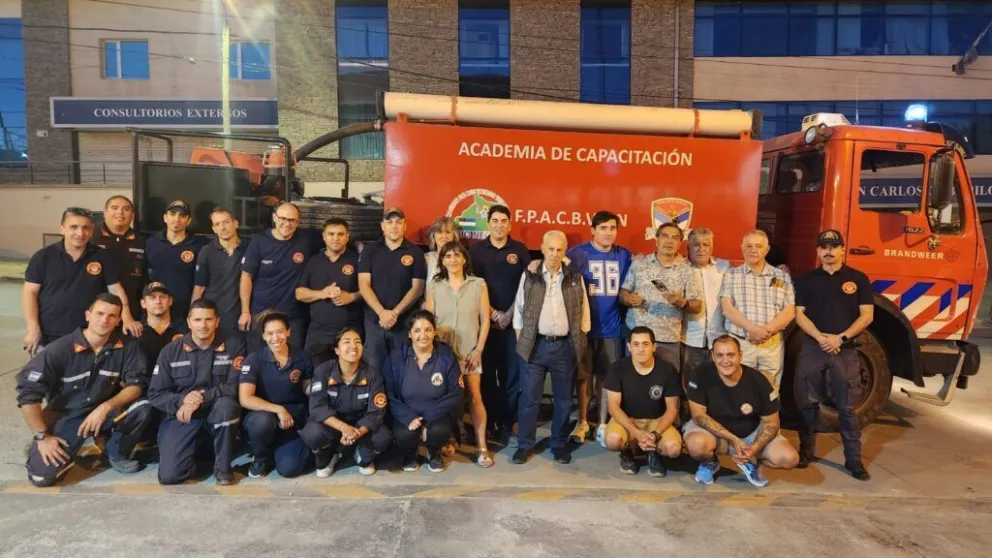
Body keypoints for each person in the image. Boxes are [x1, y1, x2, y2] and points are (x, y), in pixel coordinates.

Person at [14, 293, 152, 487]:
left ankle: (113, 450)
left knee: (143, 406)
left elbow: (135, 386)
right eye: (100, 313)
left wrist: (105, 407)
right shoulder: (60, 349)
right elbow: (28, 396)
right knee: (42, 478)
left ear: (119, 320)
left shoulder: (127, 347)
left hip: (103, 413)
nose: (105, 320)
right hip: (66, 417)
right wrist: (42, 436)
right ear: (88, 315)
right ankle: (42, 446)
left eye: (112, 316)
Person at [794, 230, 874, 481]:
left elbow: (867, 315)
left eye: (834, 246)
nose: (828, 250)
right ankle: (806, 453)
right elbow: (799, 314)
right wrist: (820, 338)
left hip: (845, 349)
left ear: (842, 250)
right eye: (823, 246)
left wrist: (840, 338)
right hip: (814, 347)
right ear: (817, 251)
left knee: (847, 407)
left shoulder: (858, 279)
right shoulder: (807, 280)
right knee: (807, 402)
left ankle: (854, 461)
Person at [511, 230, 590, 465]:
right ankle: (525, 445)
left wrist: (579, 340)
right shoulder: (531, 275)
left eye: (560, 249)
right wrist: (522, 341)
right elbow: (519, 310)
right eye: (551, 249)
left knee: (564, 399)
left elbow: (584, 312)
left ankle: (558, 444)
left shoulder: (575, 276)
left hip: (564, 348)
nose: (555, 254)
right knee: (529, 399)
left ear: (565, 251)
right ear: (542, 249)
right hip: (535, 346)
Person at [148, 299, 246, 486]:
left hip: (216, 411)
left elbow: (236, 386)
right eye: (198, 319)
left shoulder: (234, 345)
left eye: (208, 319)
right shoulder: (170, 351)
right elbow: (156, 394)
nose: (203, 325)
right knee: (170, 477)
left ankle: (223, 468)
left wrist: (200, 398)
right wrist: (182, 399)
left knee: (227, 406)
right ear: (189, 322)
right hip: (183, 416)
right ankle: (196, 458)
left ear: (217, 321)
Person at [23, 207, 141, 356]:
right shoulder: (43, 257)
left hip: (88, 335)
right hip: (49, 335)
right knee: (43, 378)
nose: (80, 233)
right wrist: (33, 329)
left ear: (91, 231)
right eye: (74, 227)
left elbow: (116, 290)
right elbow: (30, 293)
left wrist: (127, 318)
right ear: (62, 229)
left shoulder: (102, 256)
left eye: (85, 228)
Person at [684, 335, 799, 487]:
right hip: (715, 433)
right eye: (720, 355)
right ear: (712, 356)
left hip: (751, 433)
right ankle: (710, 462)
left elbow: (772, 422)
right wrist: (733, 440)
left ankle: (749, 461)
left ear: (740, 356)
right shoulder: (701, 373)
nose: (725, 361)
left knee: (790, 458)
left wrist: (754, 449)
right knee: (697, 446)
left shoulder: (759, 381)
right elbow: (698, 415)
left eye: (731, 355)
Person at [564, 210, 633, 447]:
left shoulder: (624, 255)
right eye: (603, 228)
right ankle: (583, 421)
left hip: (612, 329)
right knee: (583, 377)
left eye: (612, 228)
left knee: (607, 378)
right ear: (593, 230)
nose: (608, 232)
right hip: (584, 328)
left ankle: (603, 423)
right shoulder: (577, 254)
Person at [425, 241, 493, 467]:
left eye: (457, 255)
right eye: (447, 256)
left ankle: (482, 447)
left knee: (475, 397)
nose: (453, 260)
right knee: (444, 399)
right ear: (442, 261)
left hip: (470, 353)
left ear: (464, 258)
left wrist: (479, 349)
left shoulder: (478, 284)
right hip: (442, 354)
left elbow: (485, 320)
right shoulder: (435, 286)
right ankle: (448, 440)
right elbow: (428, 321)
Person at [468, 204, 530, 446]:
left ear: (510, 224)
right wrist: (494, 315)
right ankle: (490, 421)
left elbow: (526, 286)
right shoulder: (475, 252)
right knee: (485, 378)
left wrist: (509, 316)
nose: (499, 225)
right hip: (485, 326)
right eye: (495, 220)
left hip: (513, 326)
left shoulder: (520, 250)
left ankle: (508, 421)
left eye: (504, 220)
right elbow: (472, 285)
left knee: (511, 376)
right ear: (488, 223)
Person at [300, 328, 391, 477]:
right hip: (332, 426)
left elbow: (376, 412)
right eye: (347, 342)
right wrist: (343, 428)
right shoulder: (323, 371)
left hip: (360, 428)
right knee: (312, 434)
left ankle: (361, 455)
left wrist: (357, 432)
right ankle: (330, 455)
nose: (353, 346)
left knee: (383, 437)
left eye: (357, 342)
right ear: (336, 349)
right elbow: (317, 408)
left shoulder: (372, 374)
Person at [381, 310, 463, 473]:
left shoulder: (446, 356)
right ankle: (410, 453)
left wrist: (429, 417)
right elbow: (387, 394)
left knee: (438, 431)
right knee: (405, 434)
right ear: (410, 334)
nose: (423, 335)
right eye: (417, 330)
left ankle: (435, 451)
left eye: (427, 329)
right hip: (407, 413)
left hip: (437, 413)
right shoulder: (396, 357)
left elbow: (457, 392)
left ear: (434, 332)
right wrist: (407, 417)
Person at [239, 312, 315, 479]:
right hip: (264, 416)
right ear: (264, 336)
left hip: (292, 421)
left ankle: (279, 453)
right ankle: (260, 457)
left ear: (288, 332)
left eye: (280, 331)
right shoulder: (254, 360)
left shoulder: (302, 356)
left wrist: (319, 388)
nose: (276, 338)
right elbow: (245, 398)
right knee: (262, 422)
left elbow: (307, 389)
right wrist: (278, 409)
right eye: (270, 333)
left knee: (289, 469)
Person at [719, 230, 796, 390]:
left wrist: (765, 331)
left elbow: (789, 311)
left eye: (758, 246)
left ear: (767, 250)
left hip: (771, 345)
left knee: (769, 392)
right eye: (749, 246)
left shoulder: (782, 277)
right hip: (741, 344)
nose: (753, 250)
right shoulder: (731, 275)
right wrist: (753, 330)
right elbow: (727, 309)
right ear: (742, 248)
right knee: (739, 390)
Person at [620, 223, 702, 371]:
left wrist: (682, 302)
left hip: (668, 340)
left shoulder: (686, 270)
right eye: (665, 236)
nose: (669, 241)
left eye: (675, 238)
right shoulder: (639, 264)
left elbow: (697, 306)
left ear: (680, 243)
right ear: (656, 239)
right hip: (638, 338)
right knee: (633, 384)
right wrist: (628, 299)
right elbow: (623, 293)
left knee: (667, 386)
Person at [604, 327, 682, 477]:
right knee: (613, 440)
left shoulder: (667, 370)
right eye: (636, 344)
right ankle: (627, 451)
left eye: (646, 344)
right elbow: (613, 407)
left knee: (673, 449)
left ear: (654, 347)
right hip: (627, 421)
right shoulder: (617, 368)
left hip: (656, 421)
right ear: (629, 347)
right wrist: (636, 433)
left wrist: (655, 434)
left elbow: (672, 409)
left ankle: (653, 452)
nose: (641, 349)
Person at [240, 201, 316, 353]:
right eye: (283, 218)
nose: (287, 224)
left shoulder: (307, 240)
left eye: (292, 220)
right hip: (261, 315)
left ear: (298, 222)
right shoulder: (259, 241)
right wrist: (245, 312)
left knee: (292, 365)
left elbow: (333, 238)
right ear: (274, 217)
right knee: (259, 362)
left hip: (292, 318)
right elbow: (246, 277)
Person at [358, 207, 427, 371]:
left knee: (402, 370)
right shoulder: (370, 250)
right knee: (373, 370)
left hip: (403, 324)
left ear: (405, 225)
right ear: (382, 226)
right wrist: (382, 313)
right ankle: (376, 398)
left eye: (398, 222)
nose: (394, 226)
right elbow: (363, 285)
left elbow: (417, 288)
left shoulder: (415, 252)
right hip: (374, 322)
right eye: (389, 222)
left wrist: (394, 313)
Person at [295, 218, 363, 365]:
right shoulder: (314, 261)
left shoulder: (358, 260)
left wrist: (352, 296)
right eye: (331, 234)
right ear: (324, 237)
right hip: (319, 332)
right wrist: (323, 293)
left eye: (340, 234)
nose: (335, 238)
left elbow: (370, 290)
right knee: (315, 379)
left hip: (349, 331)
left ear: (347, 237)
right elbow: (299, 293)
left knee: (348, 377)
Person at [145, 200, 208, 332]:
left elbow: (202, 282)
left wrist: (193, 311)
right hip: (157, 312)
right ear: (165, 217)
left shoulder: (200, 246)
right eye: (173, 214)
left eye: (182, 215)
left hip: (185, 313)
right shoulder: (151, 243)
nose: (177, 219)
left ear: (189, 220)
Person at [193, 207, 250, 349]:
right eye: (217, 224)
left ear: (235, 223)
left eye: (226, 222)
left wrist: (246, 311)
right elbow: (199, 287)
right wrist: (194, 317)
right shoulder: (206, 251)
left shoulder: (250, 247)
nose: (222, 228)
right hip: (216, 318)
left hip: (243, 317)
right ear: (213, 228)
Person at [682, 227, 730, 382]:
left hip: (719, 339)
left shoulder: (724, 267)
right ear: (688, 246)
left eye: (706, 244)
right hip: (690, 340)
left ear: (711, 247)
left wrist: (780, 268)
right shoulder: (679, 268)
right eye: (696, 244)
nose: (701, 249)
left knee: (718, 385)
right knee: (691, 384)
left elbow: (747, 274)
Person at [93, 195, 145, 323]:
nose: (120, 212)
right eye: (114, 208)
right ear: (105, 213)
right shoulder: (91, 238)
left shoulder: (141, 241)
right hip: (96, 312)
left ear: (132, 215)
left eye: (126, 209)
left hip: (131, 314)